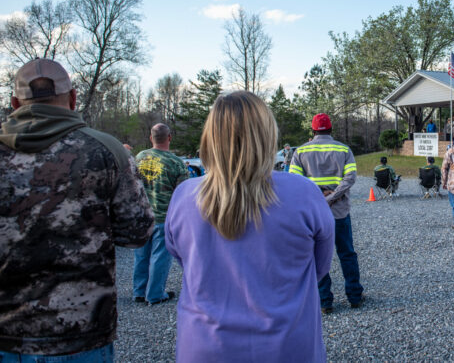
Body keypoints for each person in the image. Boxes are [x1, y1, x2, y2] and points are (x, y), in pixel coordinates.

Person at [0, 59, 154, 361]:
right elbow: (137, 232)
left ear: (15, 102)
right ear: (72, 98)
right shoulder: (106, 150)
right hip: (81, 334)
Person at [165, 92, 335, 362]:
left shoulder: (184, 196)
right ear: (267, 134)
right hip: (287, 346)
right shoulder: (304, 193)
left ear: (211, 137)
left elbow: (185, 261)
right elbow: (318, 268)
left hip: (204, 347)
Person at [289, 113, 364, 313]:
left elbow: (295, 182)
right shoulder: (343, 149)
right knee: (347, 253)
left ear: (312, 131)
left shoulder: (301, 151)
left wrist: (318, 197)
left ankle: (324, 301)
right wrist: (331, 198)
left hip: (312, 212)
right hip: (339, 211)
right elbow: (350, 178)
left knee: (316, 255)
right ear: (331, 129)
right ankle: (355, 296)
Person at [133, 123, 188, 306]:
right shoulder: (176, 163)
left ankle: (139, 291)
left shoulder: (139, 157)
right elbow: (183, 193)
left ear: (151, 137)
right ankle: (155, 294)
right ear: (169, 137)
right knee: (160, 257)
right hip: (163, 217)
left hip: (141, 216)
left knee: (141, 256)